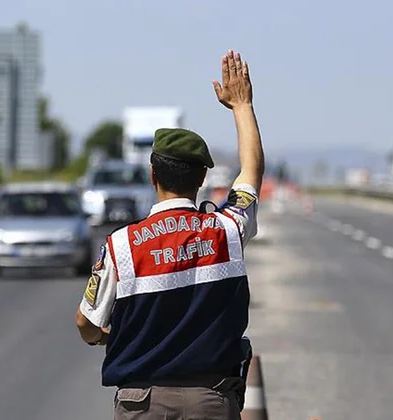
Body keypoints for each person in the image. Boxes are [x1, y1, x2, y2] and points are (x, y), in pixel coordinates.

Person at [75, 49, 264, 420]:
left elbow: (86, 323)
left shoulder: (121, 246)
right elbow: (252, 173)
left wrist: (107, 338)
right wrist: (242, 105)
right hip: (212, 401)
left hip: (140, 404)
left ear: (152, 175)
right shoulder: (227, 230)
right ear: (202, 178)